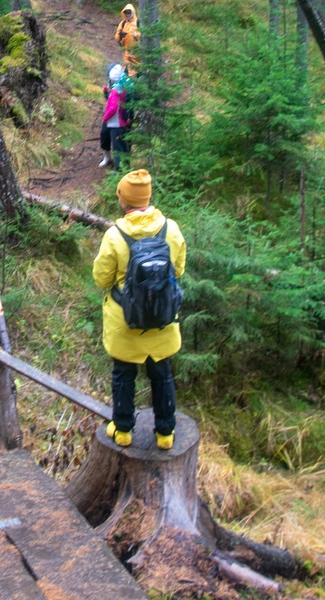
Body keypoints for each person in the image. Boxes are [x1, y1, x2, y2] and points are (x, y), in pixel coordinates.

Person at [92, 170, 186, 450]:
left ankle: (122, 430)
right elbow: (177, 271)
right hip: (162, 321)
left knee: (123, 374)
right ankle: (165, 434)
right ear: (148, 198)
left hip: (126, 322)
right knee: (162, 374)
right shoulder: (171, 229)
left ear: (124, 201)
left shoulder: (114, 235)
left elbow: (101, 279)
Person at [98, 63, 132, 170]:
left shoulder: (120, 88)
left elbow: (113, 107)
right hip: (118, 120)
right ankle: (110, 159)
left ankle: (120, 170)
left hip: (117, 121)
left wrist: (105, 117)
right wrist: (107, 93)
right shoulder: (119, 85)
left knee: (119, 146)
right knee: (106, 136)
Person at [114, 3, 141, 74]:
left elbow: (144, 35)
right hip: (126, 52)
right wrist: (120, 36)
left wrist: (137, 35)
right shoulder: (123, 23)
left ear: (132, 13)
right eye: (125, 13)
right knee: (125, 70)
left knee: (137, 70)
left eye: (129, 12)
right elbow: (117, 36)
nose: (127, 14)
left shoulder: (138, 22)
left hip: (137, 53)